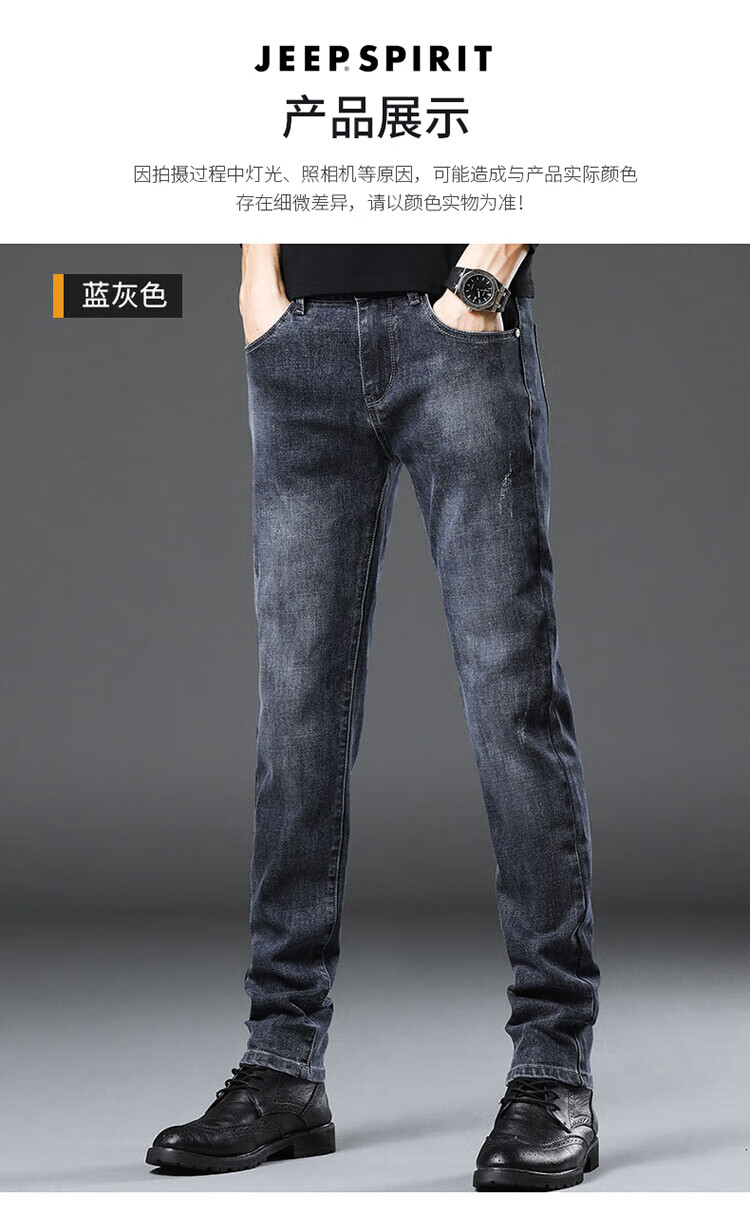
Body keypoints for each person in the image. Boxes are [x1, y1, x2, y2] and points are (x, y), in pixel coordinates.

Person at [146, 244, 601, 1190]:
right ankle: (281, 1066)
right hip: (300, 340)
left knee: (512, 704)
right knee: (296, 715)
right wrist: (258, 285)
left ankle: (553, 1070)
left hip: (460, 331)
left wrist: (482, 279)